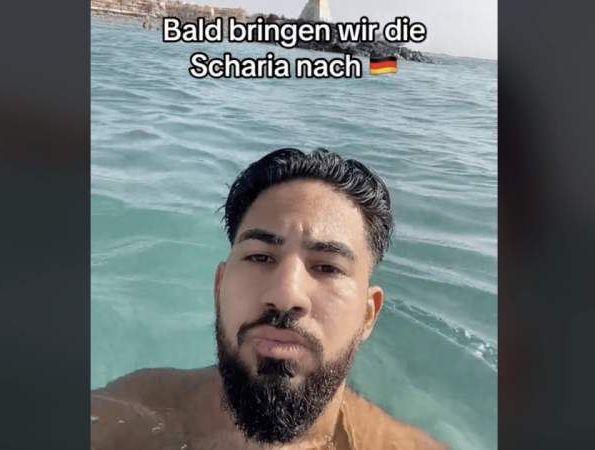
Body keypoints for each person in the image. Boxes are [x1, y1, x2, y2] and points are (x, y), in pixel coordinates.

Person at [91, 148, 446, 450]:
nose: (285, 295)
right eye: (260, 257)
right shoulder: (120, 416)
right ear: (219, 288)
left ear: (368, 315)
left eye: (327, 267)